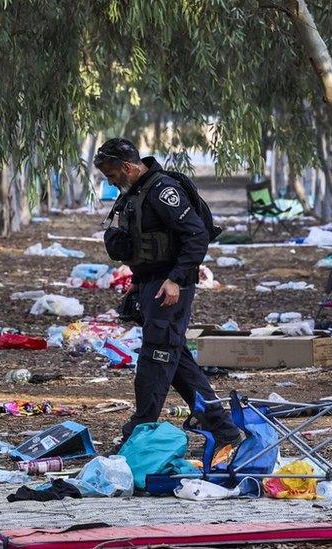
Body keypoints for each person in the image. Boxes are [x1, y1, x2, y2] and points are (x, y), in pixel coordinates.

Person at [94, 137, 242, 450]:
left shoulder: (163, 191)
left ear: (128, 166)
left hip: (170, 289)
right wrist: (137, 282)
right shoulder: (134, 193)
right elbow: (144, 244)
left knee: (154, 360)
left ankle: (139, 430)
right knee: (177, 361)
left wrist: (175, 280)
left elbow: (196, 236)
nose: (110, 181)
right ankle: (223, 428)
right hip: (151, 285)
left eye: (112, 174)